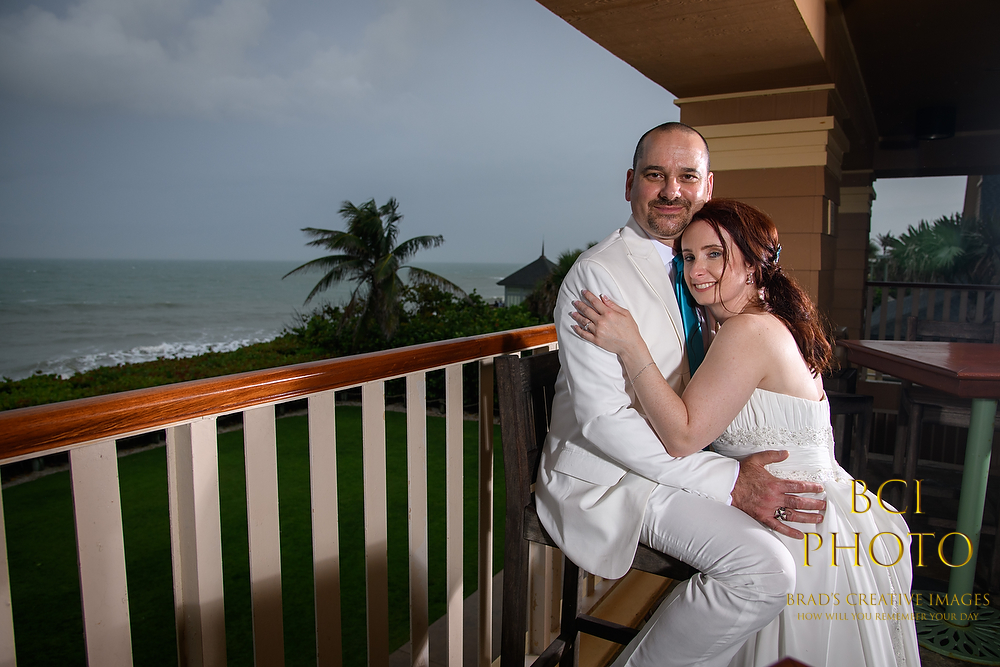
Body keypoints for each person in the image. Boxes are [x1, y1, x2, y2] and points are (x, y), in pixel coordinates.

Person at [572, 198, 920, 666]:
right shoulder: (751, 322)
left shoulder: (749, 332)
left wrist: (631, 347)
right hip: (804, 503)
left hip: (798, 519)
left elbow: (683, 436)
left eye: (714, 254)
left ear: (755, 263)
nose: (696, 271)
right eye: (688, 257)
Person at [534, 122, 827, 667]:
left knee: (800, 542)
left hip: (680, 458)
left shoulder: (707, 266)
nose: (672, 191)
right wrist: (729, 481)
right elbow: (603, 421)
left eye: (687, 177)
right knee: (764, 570)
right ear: (630, 184)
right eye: (655, 175)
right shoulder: (598, 276)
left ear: (707, 186)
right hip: (613, 476)